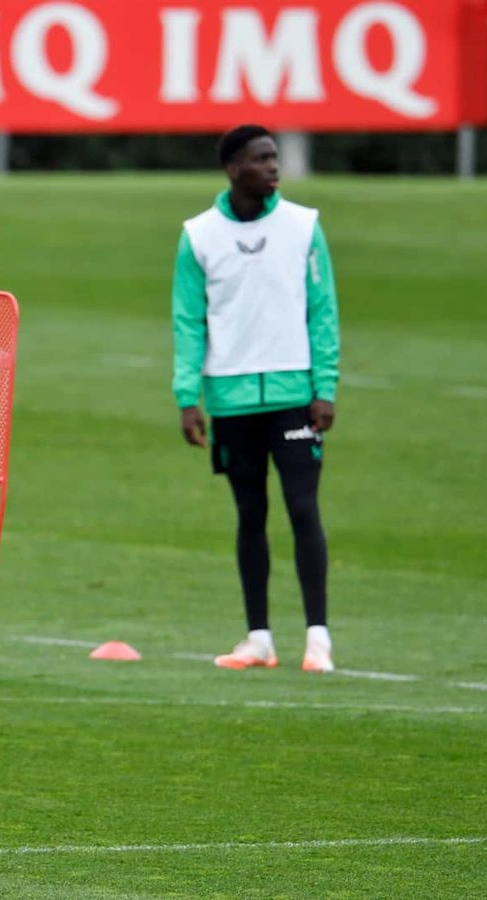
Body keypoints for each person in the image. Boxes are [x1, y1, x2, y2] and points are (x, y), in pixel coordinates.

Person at [171, 124, 341, 674]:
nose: (273, 166)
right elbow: (188, 322)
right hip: (232, 401)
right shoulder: (198, 236)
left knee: (302, 509)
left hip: (294, 397)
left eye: (274, 157)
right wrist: (187, 397)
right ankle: (259, 637)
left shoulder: (304, 227)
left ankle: (318, 638)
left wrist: (325, 387)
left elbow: (323, 312)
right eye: (261, 158)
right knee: (251, 516)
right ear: (232, 168)